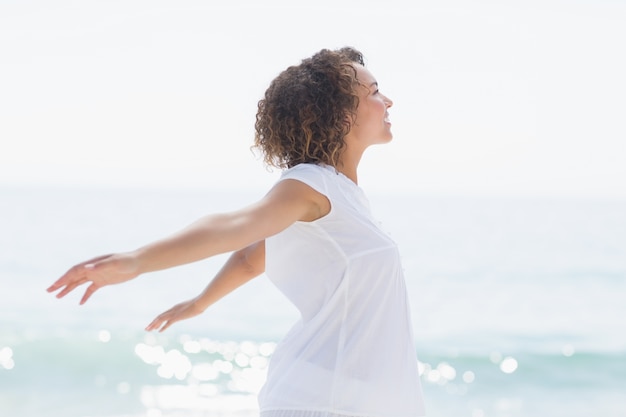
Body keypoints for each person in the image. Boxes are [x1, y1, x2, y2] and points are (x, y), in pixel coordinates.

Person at [47, 47, 425, 417]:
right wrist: (136, 261)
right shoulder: (311, 184)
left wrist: (201, 302)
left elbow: (251, 257)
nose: (387, 101)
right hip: (326, 402)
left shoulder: (342, 196)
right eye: (374, 92)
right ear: (341, 116)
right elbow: (235, 226)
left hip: (341, 399)